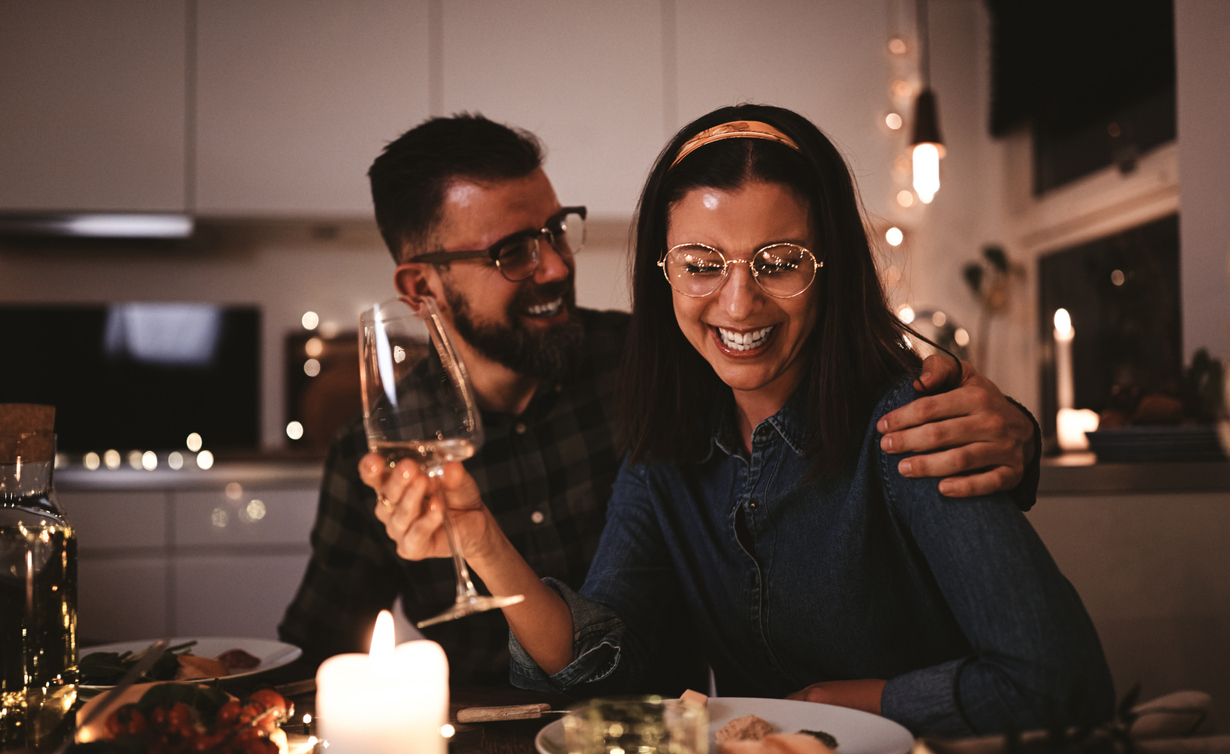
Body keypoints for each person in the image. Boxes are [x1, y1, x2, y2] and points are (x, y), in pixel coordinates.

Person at [282, 113, 1042, 688]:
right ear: (421, 288)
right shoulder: (379, 454)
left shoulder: (664, 366)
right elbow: (315, 653)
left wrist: (1020, 433)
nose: (553, 267)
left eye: (555, 231)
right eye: (512, 251)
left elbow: (829, 371)